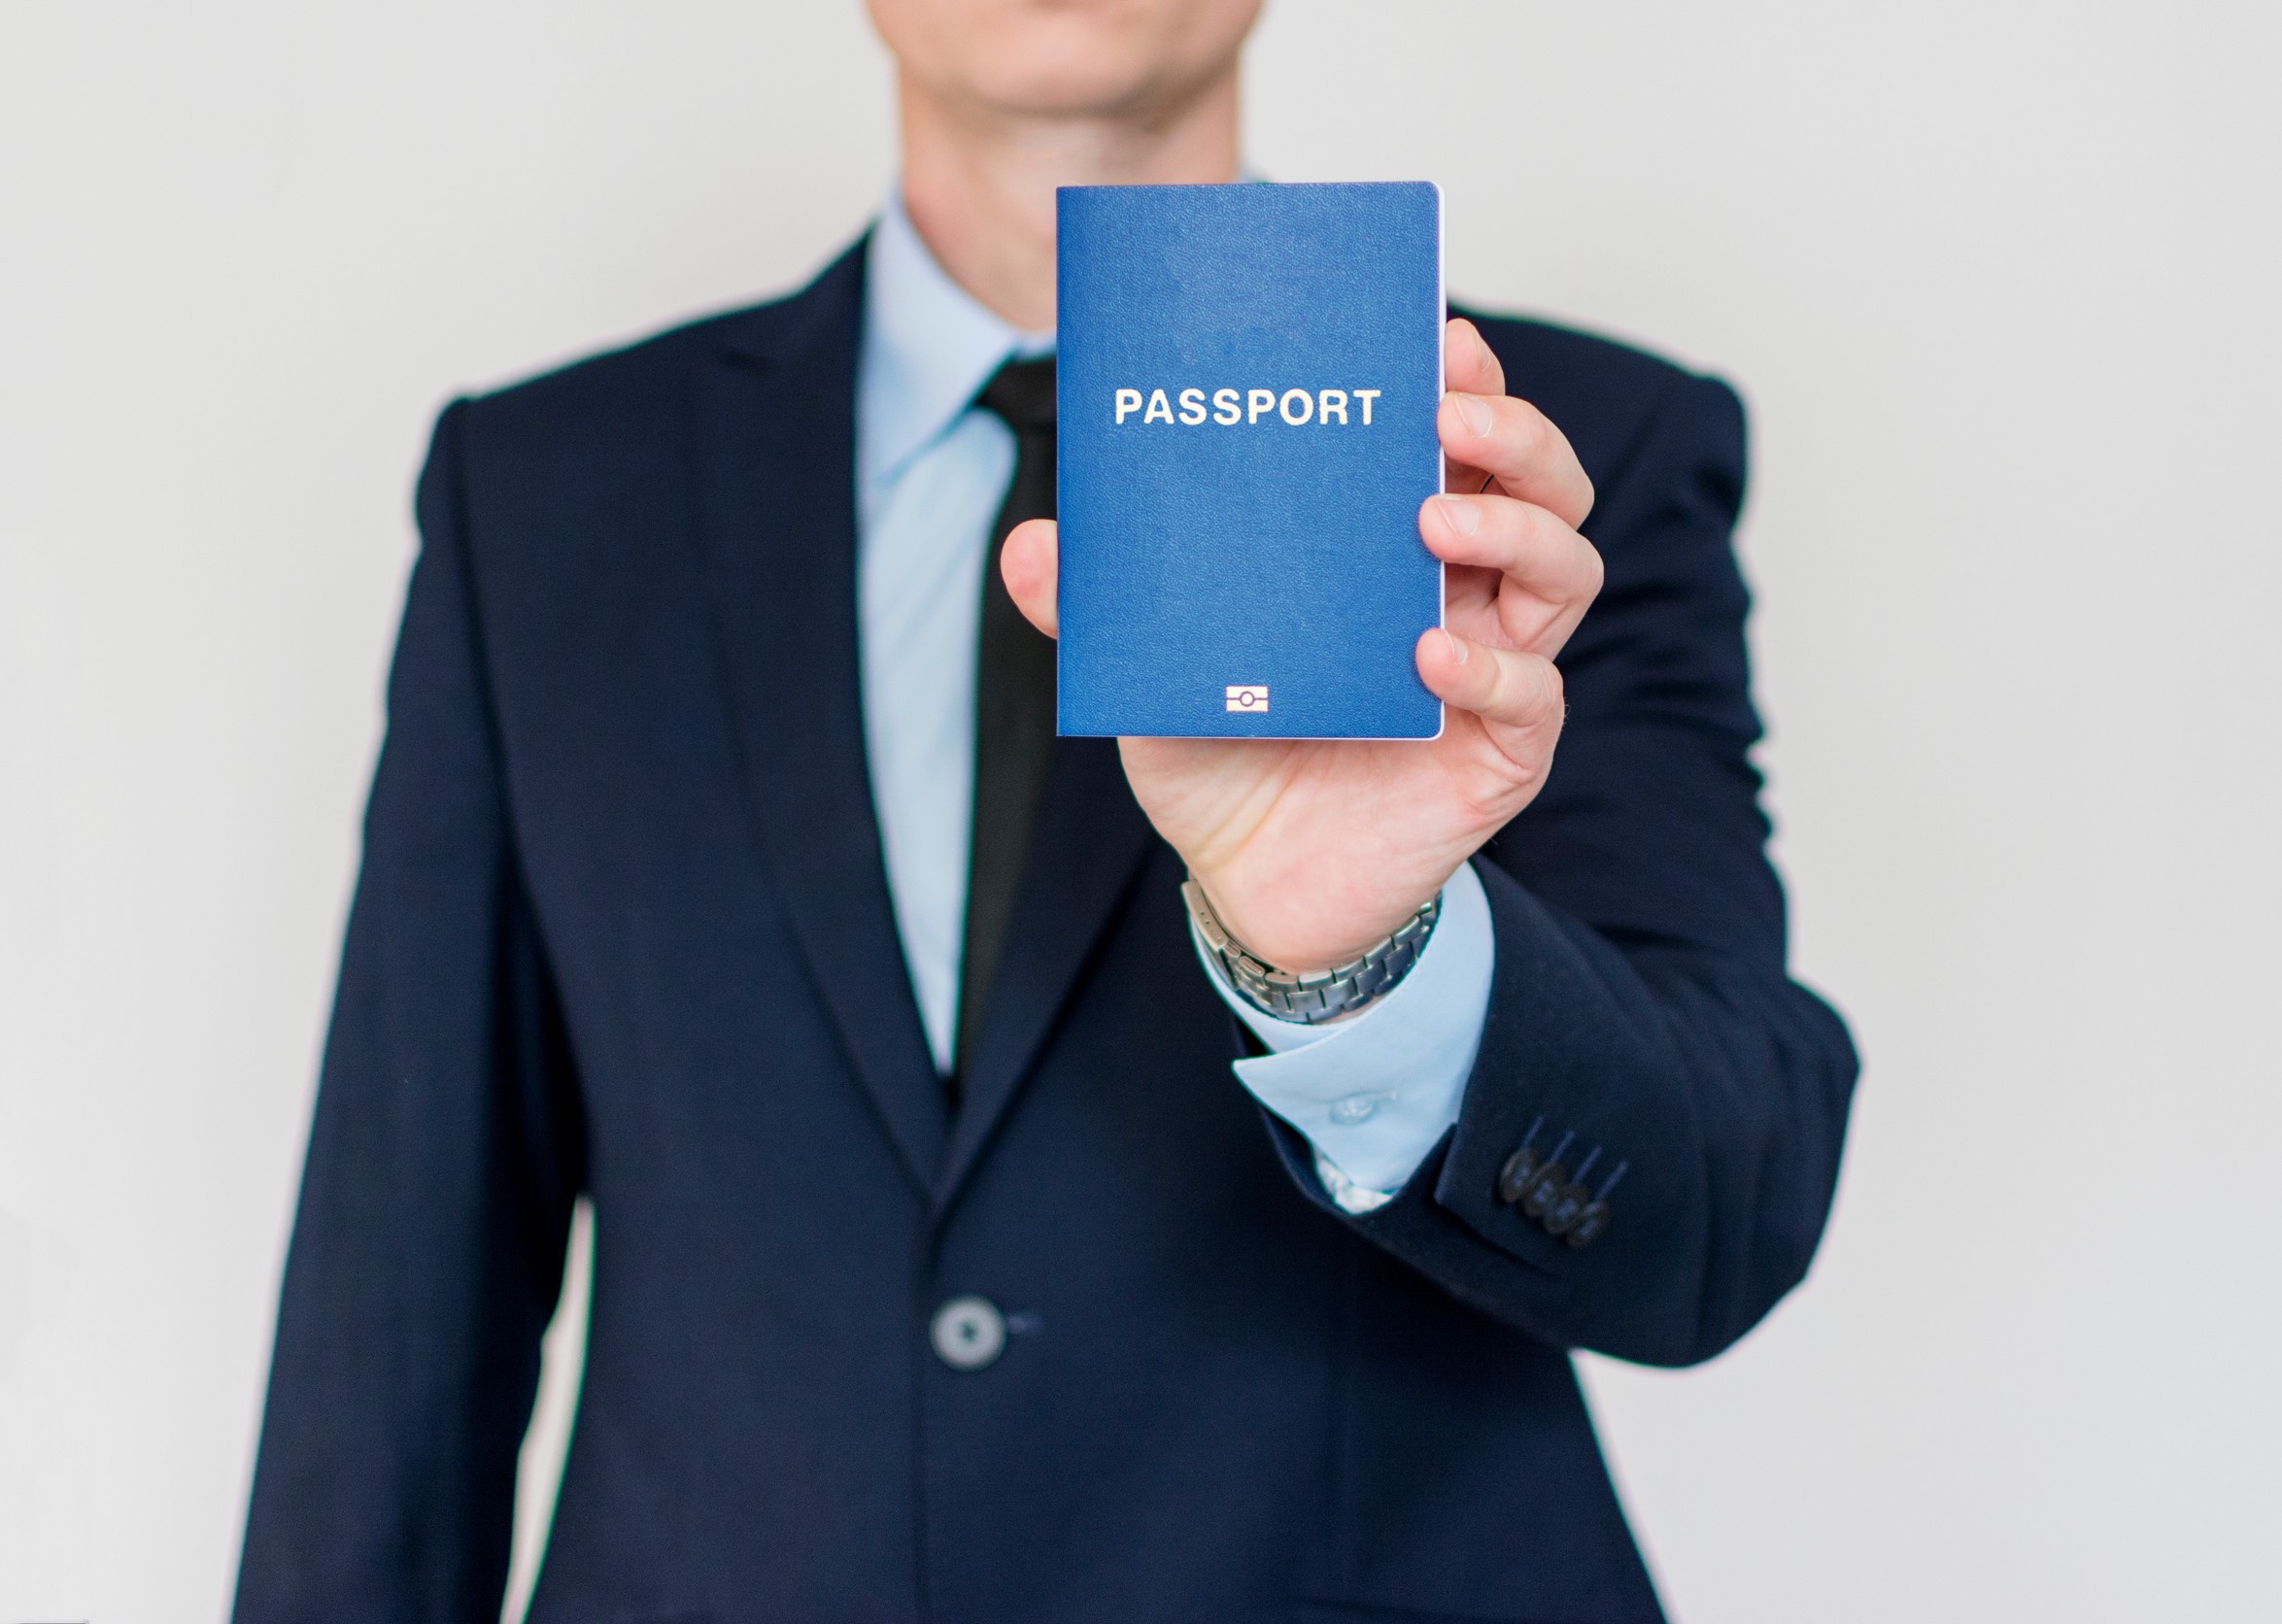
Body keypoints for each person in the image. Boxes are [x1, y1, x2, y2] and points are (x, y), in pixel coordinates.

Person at [233, 0, 1857, 1618]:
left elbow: (1727, 1208)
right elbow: (401, 1295)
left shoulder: (1538, 460)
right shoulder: (545, 492)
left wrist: (1372, 965)